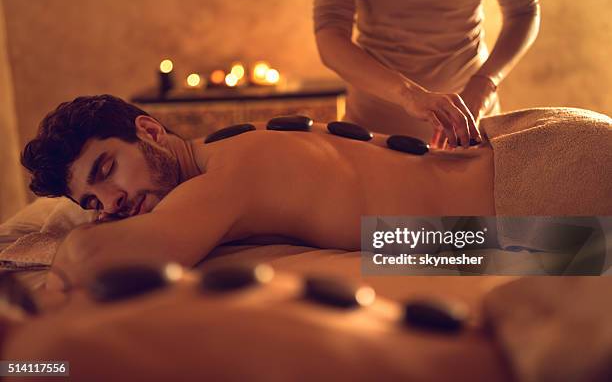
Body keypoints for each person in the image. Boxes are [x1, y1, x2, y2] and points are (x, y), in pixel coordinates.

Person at [21, 95, 611, 290]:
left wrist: (86, 240)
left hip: (536, 182)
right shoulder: (227, 151)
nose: (112, 205)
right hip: (525, 163)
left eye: (107, 170)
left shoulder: (226, 179)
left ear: (149, 130)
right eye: (92, 204)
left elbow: (93, 259)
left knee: (587, 254)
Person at [312, 0, 540, 147]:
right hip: (375, 130)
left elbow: (523, 11)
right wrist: (409, 94)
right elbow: (330, 35)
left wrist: (483, 86)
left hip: (473, 123)